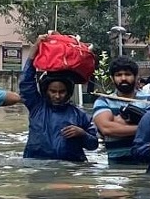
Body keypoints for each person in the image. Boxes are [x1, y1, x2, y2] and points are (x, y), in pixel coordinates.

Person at [20, 34, 99, 162]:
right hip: (37, 166)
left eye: (62, 92)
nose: (57, 96)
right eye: (53, 91)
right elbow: (25, 83)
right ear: (46, 91)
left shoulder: (80, 115)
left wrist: (82, 134)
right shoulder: (37, 107)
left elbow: (93, 145)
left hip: (70, 168)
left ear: (68, 92)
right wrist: (33, 53)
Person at [92, 56, 150, 165]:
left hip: (146, 165)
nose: (123, 78)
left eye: (128, 74)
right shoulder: (103, 101)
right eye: (118, 75)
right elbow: (106, 129)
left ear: (136, 77)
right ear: (112, 78)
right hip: (116, 166)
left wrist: (118, 124)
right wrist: (144, 127)